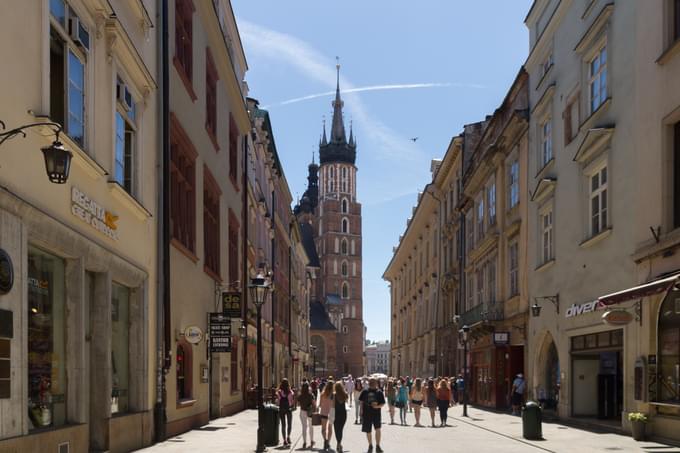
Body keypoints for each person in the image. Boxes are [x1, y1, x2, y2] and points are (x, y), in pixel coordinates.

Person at [359, 378, 386, 453]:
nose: (372, 383)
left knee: (377, 429)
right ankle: (370, 445)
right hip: (367, 414)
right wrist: (361, 411)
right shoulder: (365, 391)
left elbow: (383, 403)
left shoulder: (379, 392)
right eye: (371, 382)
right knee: (368, 430)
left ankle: (377, 446)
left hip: (376, 414)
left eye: (373, 382)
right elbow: (361, 402)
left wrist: (377, 407)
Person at [297, 382, 316, 449]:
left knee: (304, 427)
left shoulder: (300, 395)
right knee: (311, 427)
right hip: (310, 412)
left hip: (302, 412)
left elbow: (298, 404)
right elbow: (314, 403)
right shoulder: (311, 395)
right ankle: (311, 441)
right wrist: (315, 410)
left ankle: (304, 442)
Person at [277, 378, 295, 446]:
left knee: (283, 425)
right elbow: (292, 401)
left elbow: (278, 401)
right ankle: (288, 437)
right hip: (288, 409)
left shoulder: (279, 392)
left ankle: (284, 440)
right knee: (289, 424)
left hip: (281, 409)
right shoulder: (290, 392)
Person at [319, 379, 335, 451]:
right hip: (331, 412)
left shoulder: (323, 393)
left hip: (324, 412)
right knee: (330, 428)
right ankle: (328, 442)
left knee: (323, 429)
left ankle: (325, 440)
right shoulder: (334, 395)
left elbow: (320, 404)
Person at [333, 381, 349, 453]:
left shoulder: (334, 395)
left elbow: (333, 405)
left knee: (337, 429)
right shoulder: (345, 394)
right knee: (341, 429)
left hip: (336, 414)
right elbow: (346, 401)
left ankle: (338, 443)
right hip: (343, 413)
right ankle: (339, 444)